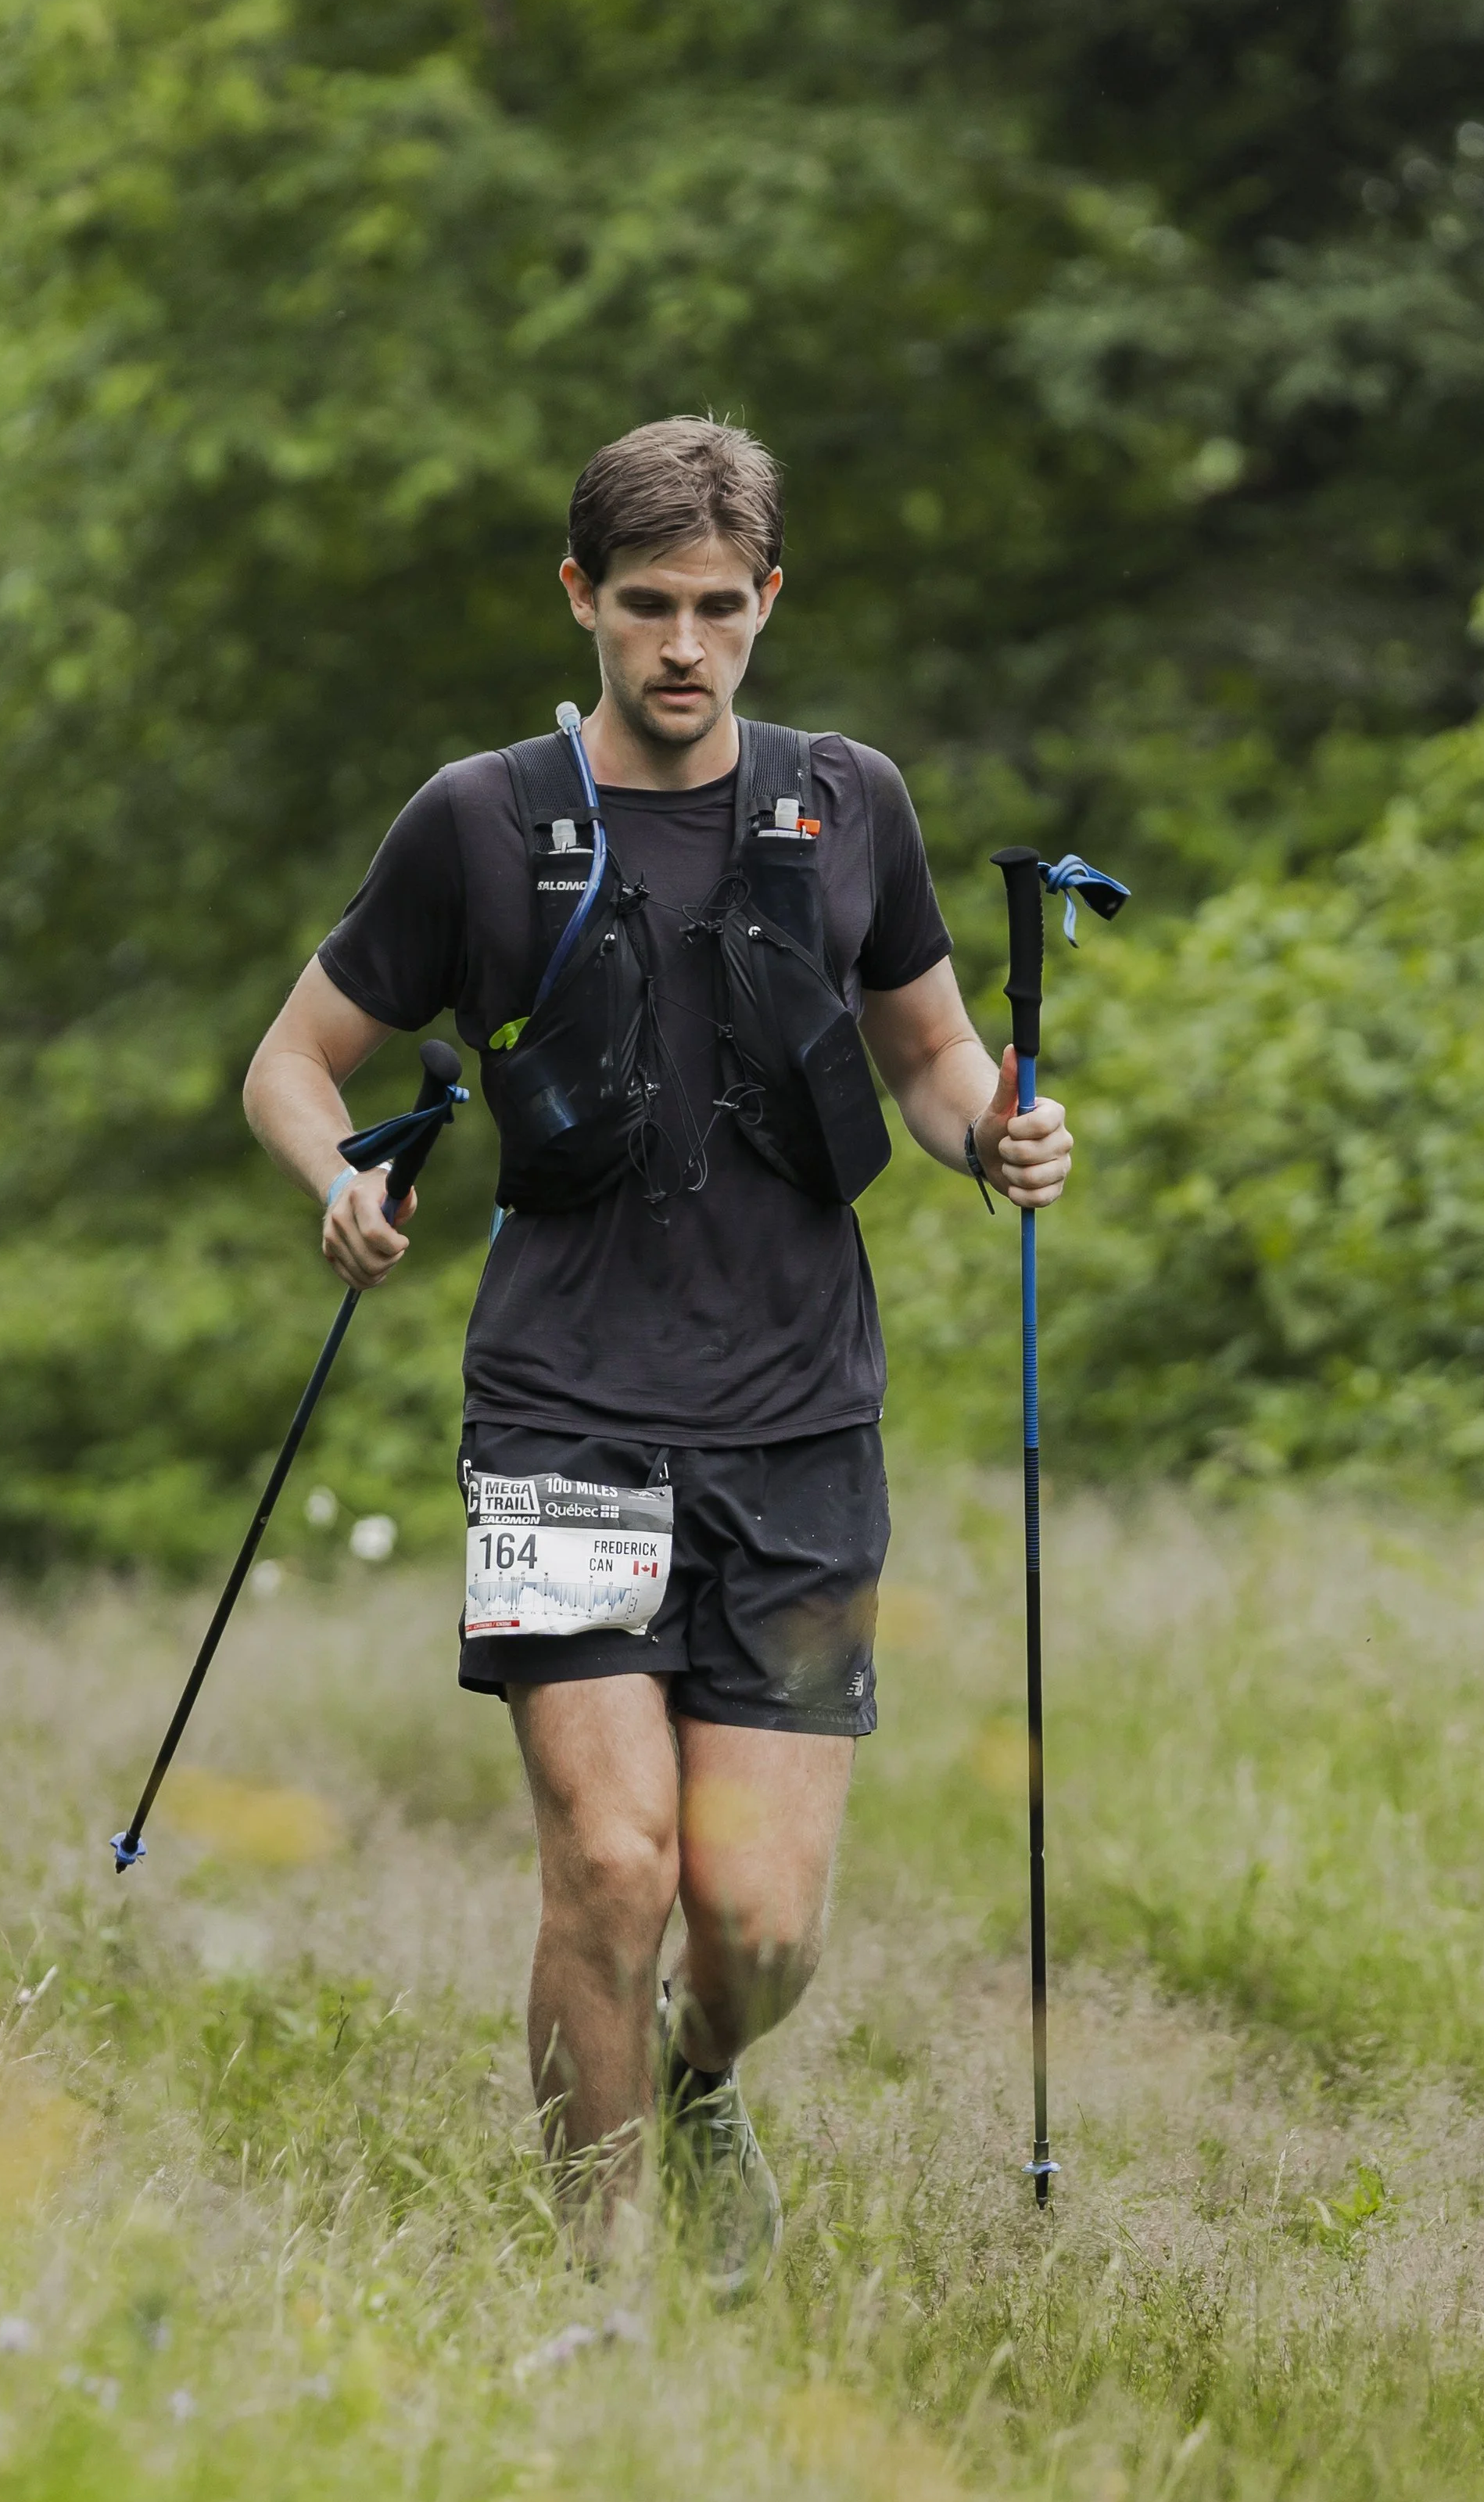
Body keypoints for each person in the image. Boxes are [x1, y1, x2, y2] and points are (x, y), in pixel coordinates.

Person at [243, 418, 1072, 2288]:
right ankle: (600, 2292)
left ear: (765, 603)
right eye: (644, 609)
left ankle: (700, 2082)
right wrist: (342, 1177)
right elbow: (290, 1066)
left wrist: (997, 1131)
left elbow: (932, 1057)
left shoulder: (851, 799)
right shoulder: (474, 818)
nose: (681, 646)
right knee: (612, 1868)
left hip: (798, 1428)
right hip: (562, 1420)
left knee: (757, 1925)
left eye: (717, 608)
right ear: (580, 601)